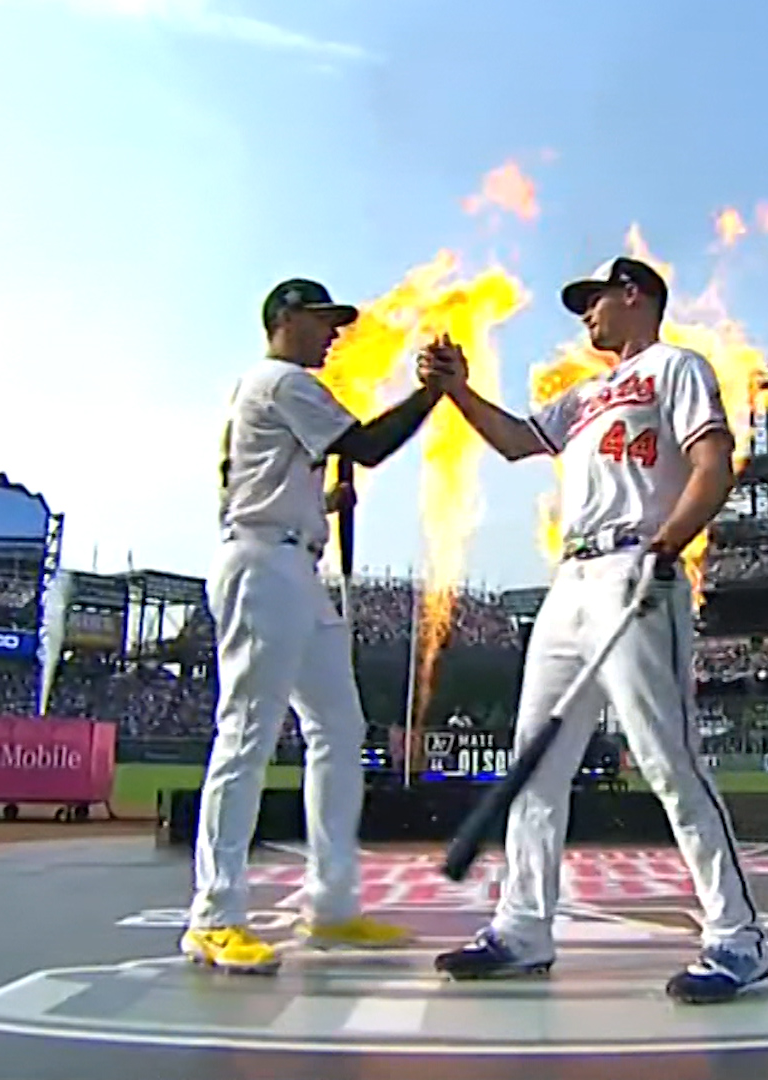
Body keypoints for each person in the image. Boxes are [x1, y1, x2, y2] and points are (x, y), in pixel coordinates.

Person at [416, 257, 768, 1004]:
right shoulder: (580, 395)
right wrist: (455, 391)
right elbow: (517, 440)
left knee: (669, 760)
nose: (586, 316)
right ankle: (521, 930)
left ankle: (736, 938)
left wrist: (667, 547)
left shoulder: (677, 367)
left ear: (634, 296)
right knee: (535, 766)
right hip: (570, 579)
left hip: (636, 566)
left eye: (595, 301)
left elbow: (714, 465)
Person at [182, 278, 441, 974]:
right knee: (246, 736)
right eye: (323, 321)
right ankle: (213, 915)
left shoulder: (267, 391)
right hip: (263, 567)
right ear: (286, 319)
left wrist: (323, 499)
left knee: (340, 730)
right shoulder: (282, 380)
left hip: (291, 563)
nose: (334, 333)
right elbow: (368, 443)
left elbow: (274, 477)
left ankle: (330, 905)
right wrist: (431, 393)